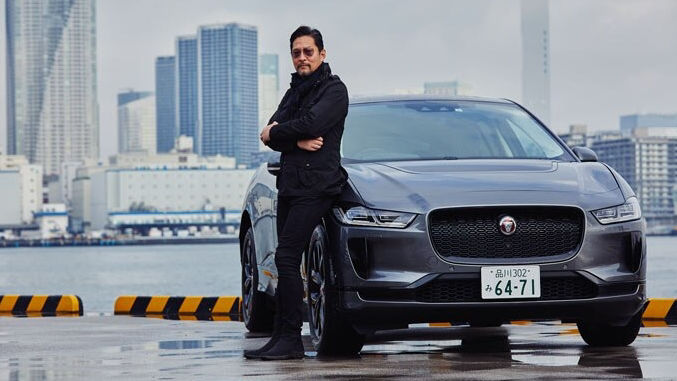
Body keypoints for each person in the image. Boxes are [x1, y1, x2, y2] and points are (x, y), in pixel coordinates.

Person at [244, 26, 349, 360]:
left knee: (288, 258)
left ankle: (290, 339)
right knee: (284, 259)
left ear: (322, 53)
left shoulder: (334, 90)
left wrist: (286, 132)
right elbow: (268, 134)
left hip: (317, 187)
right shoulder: (294, 91)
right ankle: (281, 336)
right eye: (296, 52)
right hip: (289, 186)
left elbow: (311, 124)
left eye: (308, 51)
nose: (302, 57)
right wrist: (295, 140)